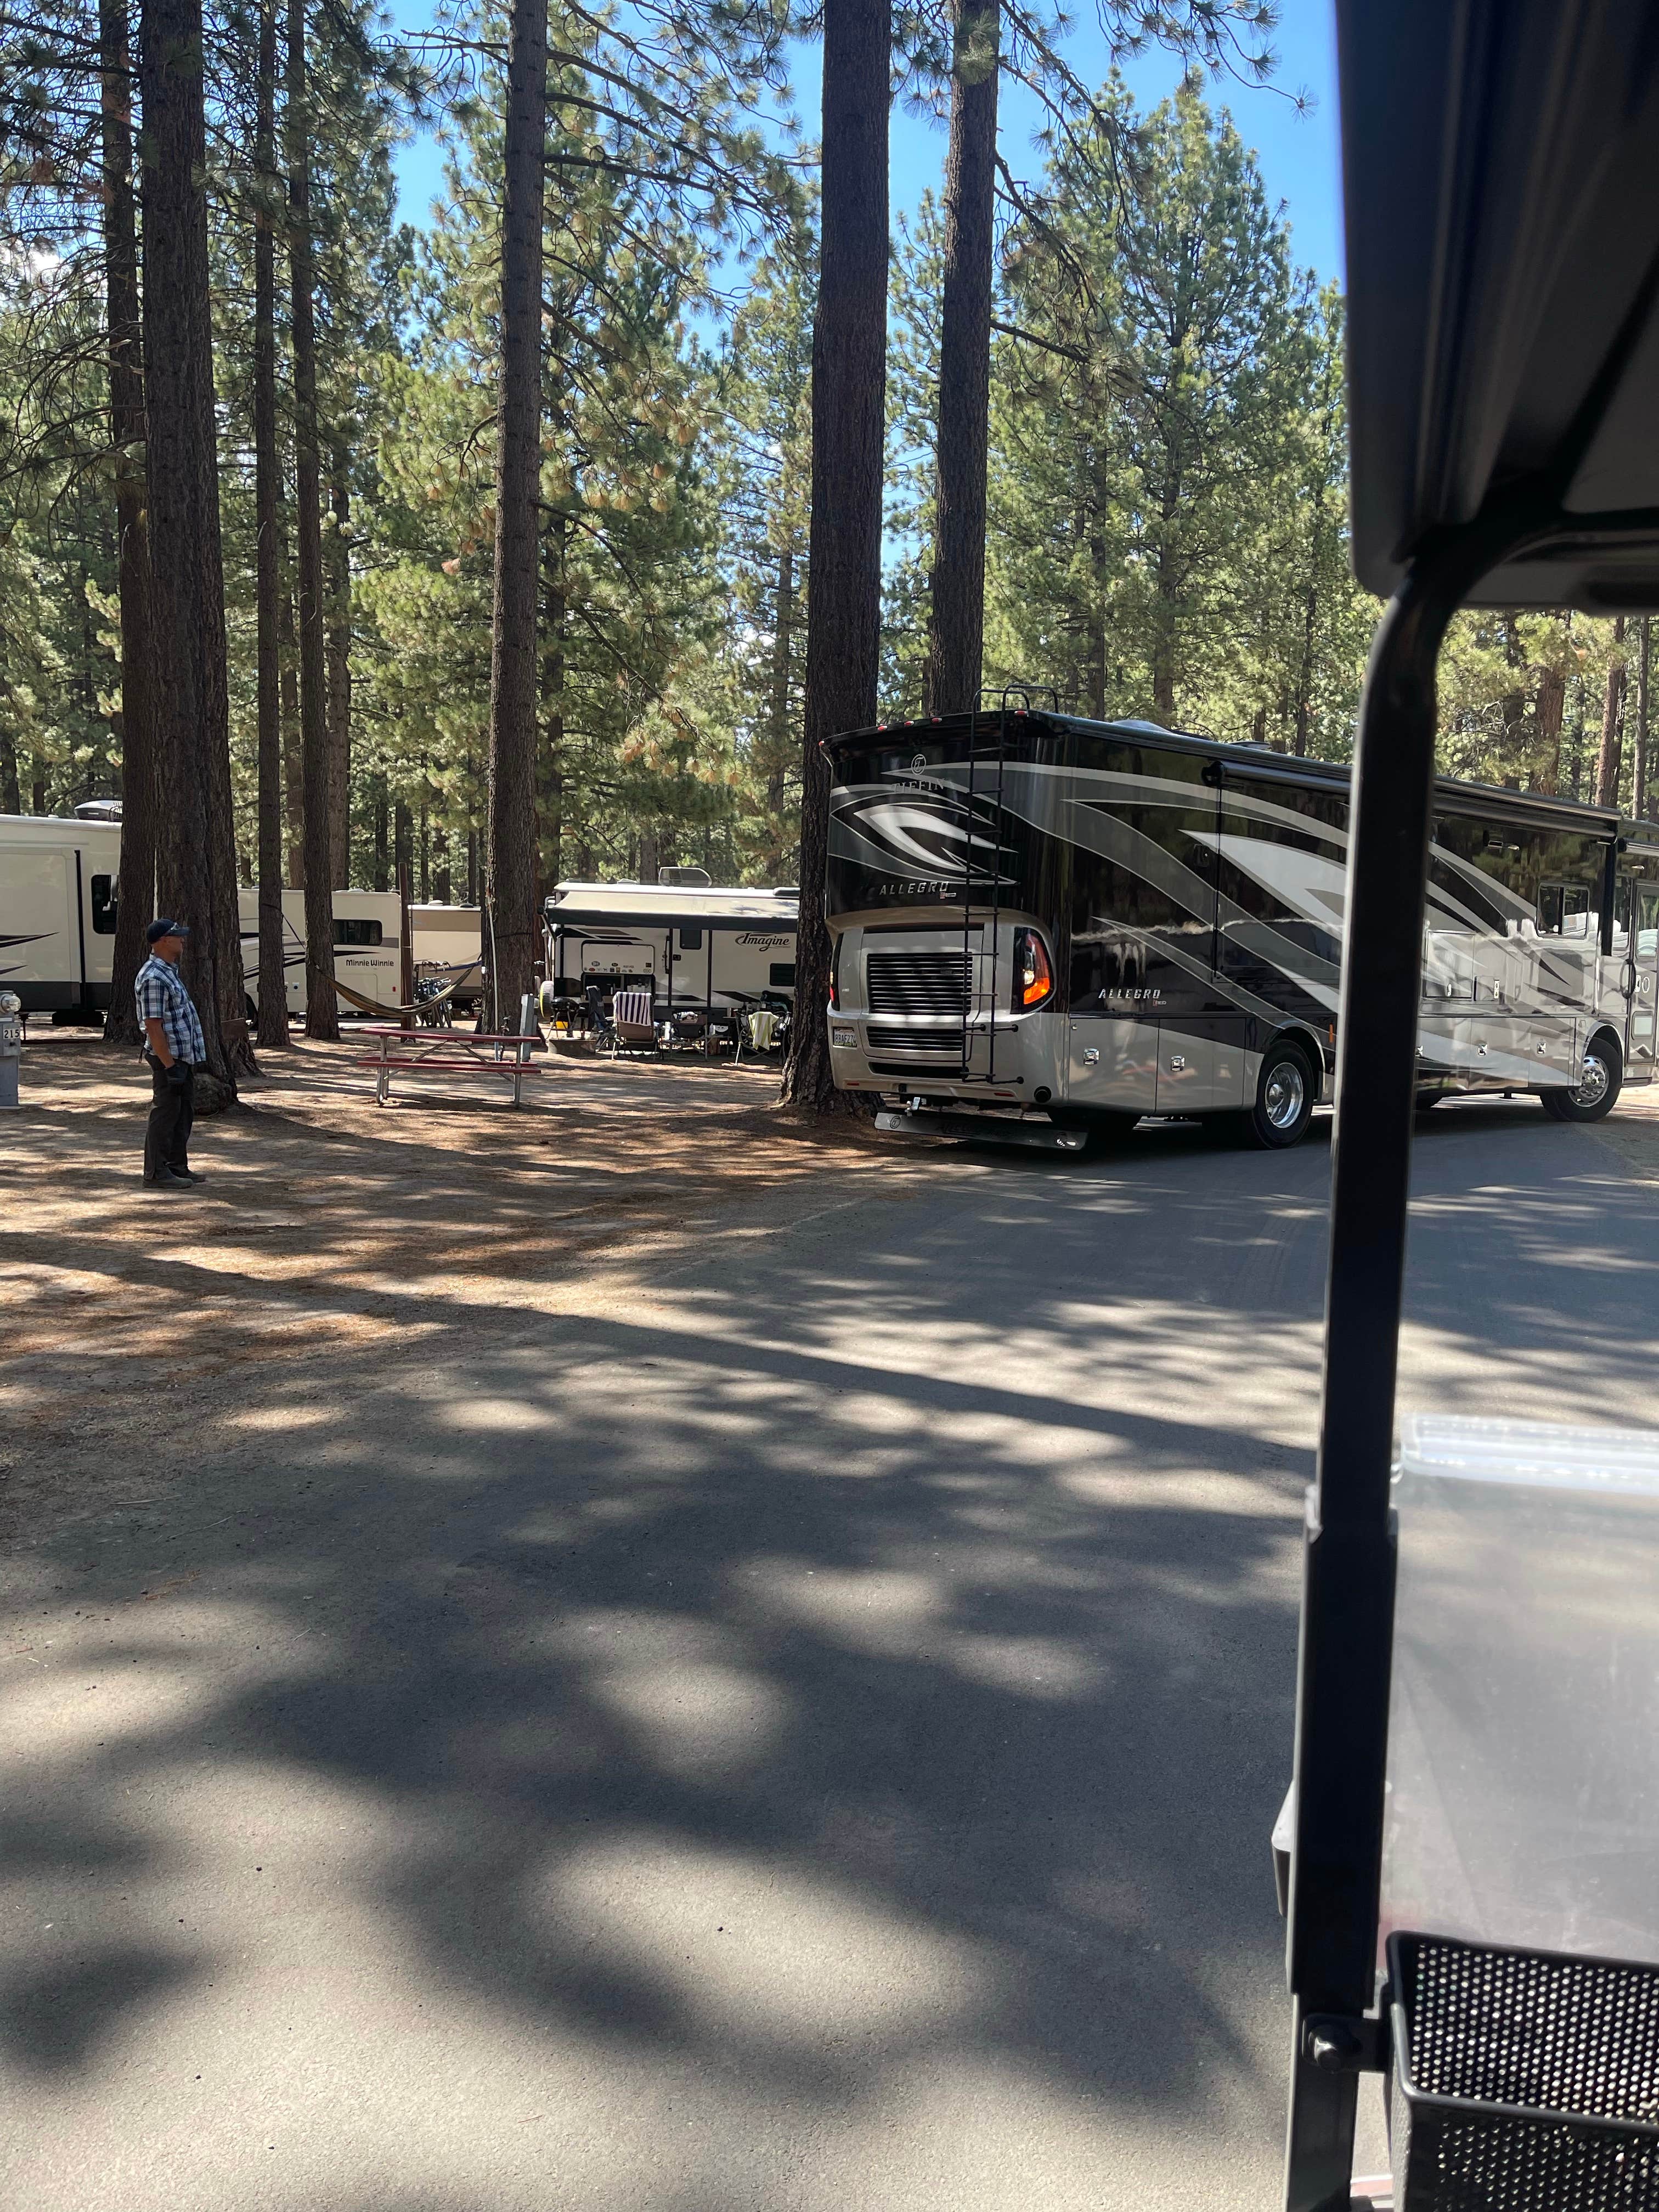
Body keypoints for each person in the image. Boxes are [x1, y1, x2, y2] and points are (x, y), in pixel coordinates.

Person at [135, 918, 207, 1189]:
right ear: (165, 940)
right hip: (169, 1058)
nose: (183, 940)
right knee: (165, 1114)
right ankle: (155, 1173)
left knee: (182, 1113)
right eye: (178, 936)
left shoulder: (168, 971)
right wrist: (169, 1065)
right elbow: (154, 1026)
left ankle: (177, 1166)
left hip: (180, 1057)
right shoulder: (154, 976)